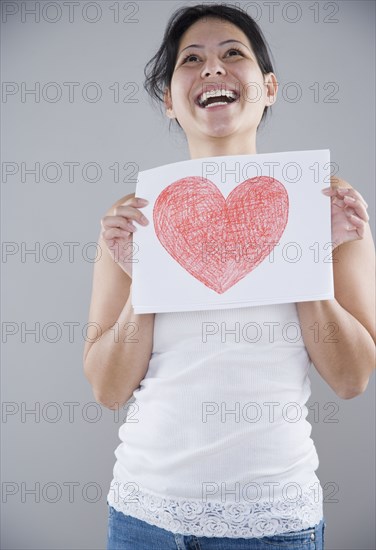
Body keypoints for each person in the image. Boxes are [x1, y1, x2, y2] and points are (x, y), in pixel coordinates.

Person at [83, 3, 375, 549]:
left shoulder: (325, 203)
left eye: (232, 54)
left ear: (269, 87)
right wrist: (143, 280)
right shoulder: (134, 219)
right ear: (169, 101)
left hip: (271, 523)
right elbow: (107, 387)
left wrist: (309, 255)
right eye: (191, 59)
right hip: (143, 516)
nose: (212, 69)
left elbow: (351, 378)